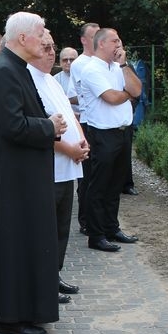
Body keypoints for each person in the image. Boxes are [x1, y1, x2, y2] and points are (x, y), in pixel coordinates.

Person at [0, 12, 66, 334]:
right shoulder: (3, 71)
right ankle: (10, 317)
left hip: (23, 174)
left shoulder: (15, 68)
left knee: (27, 242)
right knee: (15, 244)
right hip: (14, 179)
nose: (45, 39)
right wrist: (49, 126)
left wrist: (47, 124)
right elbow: (12, 126)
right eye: (41, 33)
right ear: (23, 38)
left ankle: (25, 310)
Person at [28, 31, 89, 305]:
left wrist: (82, 139)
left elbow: (69, 115)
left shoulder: (51, 80)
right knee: (46, 229)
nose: (51, 52)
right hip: (50, 167)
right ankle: (43, 281)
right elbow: (42, 128)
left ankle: (55, 274)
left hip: (68, 167)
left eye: (53, 47)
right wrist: (70, 149)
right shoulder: (30, 81)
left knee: (62, 226)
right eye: (45, 47)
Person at [80, 27, 142, 252]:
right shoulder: (91, 69)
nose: (119, 44)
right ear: (101, 44)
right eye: (115, 41)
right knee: (99, 186)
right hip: (103, 134)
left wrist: (124, 66)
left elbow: (138, 90)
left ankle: (111, 228)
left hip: (123, 132)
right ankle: (96, 235)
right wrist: (128, 94)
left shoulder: (118, 67)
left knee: (115, 185)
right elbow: (112, 97)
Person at [67, 23, 99, 235]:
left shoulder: (105, 62)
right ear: (84, 40)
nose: (99, 39)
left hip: (102, 124)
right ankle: (86, 220)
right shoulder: (80, 64)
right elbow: (75, 95)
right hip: (88, 122)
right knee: (87, 176)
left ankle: (101, 220)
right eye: (94, 36)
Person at [53, 47, 79, 118]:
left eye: (72, 60)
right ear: (60, 62)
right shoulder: (54, 80)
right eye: (65, 60)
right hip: (66, 116)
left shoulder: (86, 76)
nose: (68, 62)